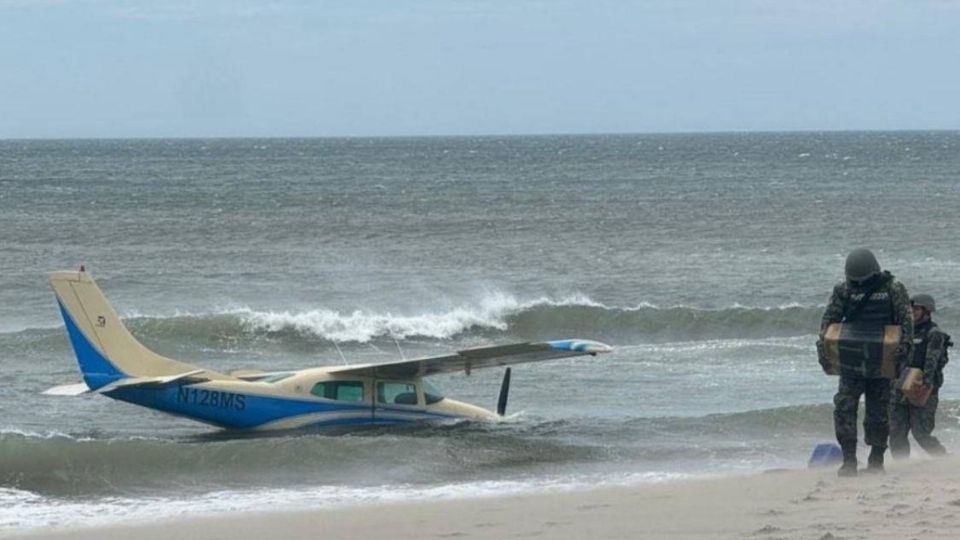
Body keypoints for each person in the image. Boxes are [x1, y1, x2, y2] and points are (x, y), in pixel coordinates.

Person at [818, 248, 912, 477]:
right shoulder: (843, 290)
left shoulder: (892, 288)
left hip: (883, 360)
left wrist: (904, 350)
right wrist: (825, 351)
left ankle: (876, 459)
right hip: (851, 361)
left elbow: (905, 321)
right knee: (844, 407)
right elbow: (829, 323)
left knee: (879, 412)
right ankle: (849, 460)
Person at [889, 294, 951, 458]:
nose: (912, 312)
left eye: (916, 309)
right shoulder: (904, 332)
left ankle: (944, 460)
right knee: (896, 431)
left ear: (927, 311)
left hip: (923, 387)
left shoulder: (934, 333)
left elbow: (932, 361)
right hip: (900, 386)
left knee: (921, 433)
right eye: (910, 309)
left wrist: (926, 384)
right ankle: (901, 465)